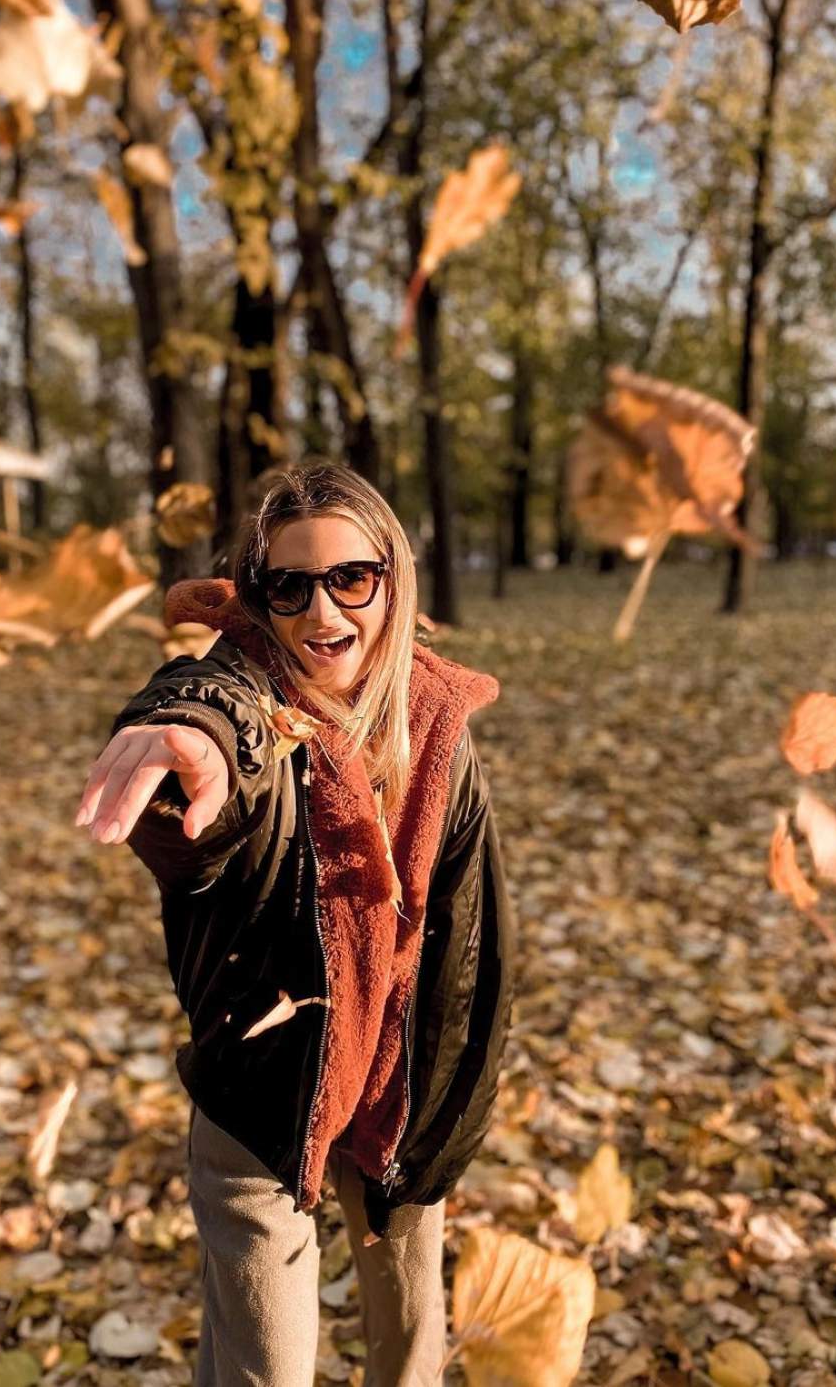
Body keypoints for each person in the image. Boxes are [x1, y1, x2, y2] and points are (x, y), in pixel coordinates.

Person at [74, 462, 516, 1387]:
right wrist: (191, 735)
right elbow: (216, 718)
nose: (324, 617)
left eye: (352, 579)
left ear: (393, 579)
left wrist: (452, 1097)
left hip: (402, 1095)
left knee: (411, 1357)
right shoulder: (244, 698)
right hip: (266, 1103)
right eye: (290, 586)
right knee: (264, 1369)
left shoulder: (438, 723)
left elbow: (473, 940)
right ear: (258, 596)